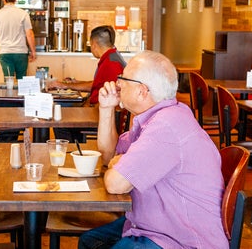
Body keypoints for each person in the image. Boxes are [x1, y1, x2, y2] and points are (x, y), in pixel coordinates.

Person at [78, 51, 227, 248]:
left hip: (181, 239)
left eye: (123, 78)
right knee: (90, 242)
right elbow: (109, 156)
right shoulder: (157, 117)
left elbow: (115, 184)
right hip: (152, 226)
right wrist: (106, 109)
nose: (118, 83)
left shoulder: (166, 126)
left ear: (142, 91)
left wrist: (119, 164)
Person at [50, 25, 125, 142]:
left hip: (102, 114)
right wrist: (76, 83)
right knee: (65, 113)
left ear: (94, 44)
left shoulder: (111, 63)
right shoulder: (112, 56)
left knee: (60, 122)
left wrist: (65, 85)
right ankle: (76, 150)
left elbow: (107, 90)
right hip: (98, 110)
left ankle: (70, 152)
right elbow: (98, 84)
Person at [0, 0, 37, 79]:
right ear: (16, 0)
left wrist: (3, 43)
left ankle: (9, 92)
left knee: (8, 81)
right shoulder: (23, 14)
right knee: (22, 81)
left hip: (5, 53)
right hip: (21, 53)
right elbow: (29, 34)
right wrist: (33, 51)